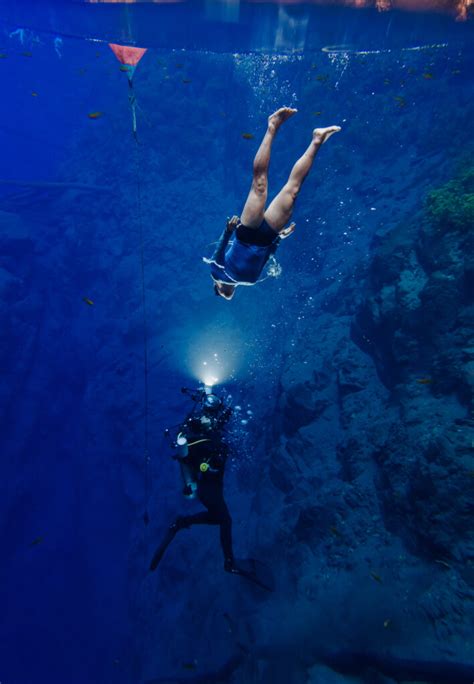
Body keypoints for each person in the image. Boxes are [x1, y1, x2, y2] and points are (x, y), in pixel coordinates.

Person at [207, 107, 341, 300]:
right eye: (227, 295)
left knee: (259, 184)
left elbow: (218, 255)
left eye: (220, 292)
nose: (226, 294)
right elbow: (265, 258)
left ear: (217, 286)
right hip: (267, 237)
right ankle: (317, 140)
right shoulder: (250, 281)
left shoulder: (216, 273)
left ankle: (272, 125)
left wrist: (228, 231)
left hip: (246, 233)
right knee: (293, 191)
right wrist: (279, 238)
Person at [149, 388, 273, 589]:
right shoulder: (199, 441)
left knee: (218, 517)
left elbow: (221, 419)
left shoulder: (208, 433)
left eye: (211, 416)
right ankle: (229, 562)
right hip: (208, 489)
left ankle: (181, 523)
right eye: (208, 418)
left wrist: (223, 406)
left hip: (212, 487)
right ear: (201, 424)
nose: (212, 420)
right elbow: (193, 457)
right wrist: (210, 463)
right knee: (224, 520)